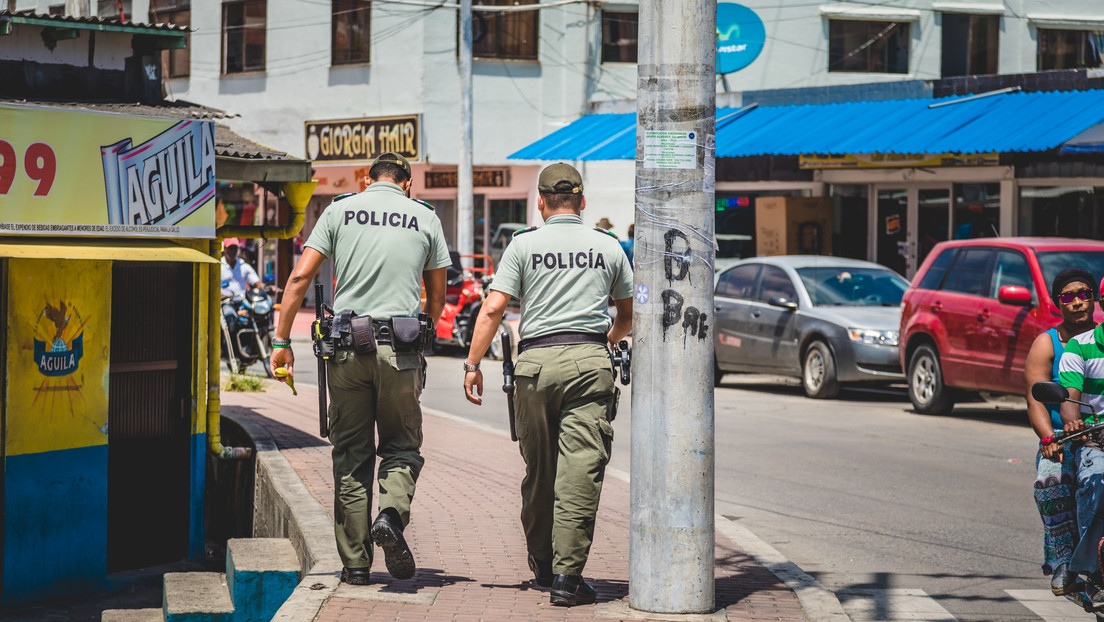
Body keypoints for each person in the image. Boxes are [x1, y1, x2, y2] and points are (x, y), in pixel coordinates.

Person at [269, 152, 451, 586]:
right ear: (407, 184)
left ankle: (355, 566)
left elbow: (299, 279)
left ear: (368, 180)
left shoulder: (339, 211)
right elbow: (438, 298)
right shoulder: (426, 217)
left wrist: (281, 342)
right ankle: (390, 515)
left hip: (347, 350)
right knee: (401, 446)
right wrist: (420, 334)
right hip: (401, 351)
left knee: (351, 455)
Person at [462, 163, 633, 606]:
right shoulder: (608, 246)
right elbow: (628, 314)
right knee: (580, 472)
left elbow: (493, 307)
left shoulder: (523, 245)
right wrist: (608, 340)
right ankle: (567, 578)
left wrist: (473, 364)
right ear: (582, 202)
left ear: (540, 202)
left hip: (535, 364)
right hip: (589, 362)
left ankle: (541, 561)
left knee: (540, 470)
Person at [1025, 268, 1097, 596]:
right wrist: (1048, 438)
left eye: (1084, 294)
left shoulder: (1100, 339)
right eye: (1069, 297)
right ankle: (1065, 561)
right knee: (1050, 480)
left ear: (1095, 298)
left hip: (1100, 432)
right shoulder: (1047, 342)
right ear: (1058, 303)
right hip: (1063, 436)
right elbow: (1035, 399)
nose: (1078, 302)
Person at [1058, 275, 1104, 609]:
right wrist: (1074, 420)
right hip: (1096, 440)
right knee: (1096, 482)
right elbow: (1069, 398)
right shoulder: (1079, 346)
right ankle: (1094, 573)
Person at [221, 238, 263, 331]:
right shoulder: (219, 265)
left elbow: (256, 281)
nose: (233, 251)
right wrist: (220, 295)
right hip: (227, 303)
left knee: (258, 315)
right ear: (225, 249)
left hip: (242, 302)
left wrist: (265, 287)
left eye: (235, 248)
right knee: (230, 319)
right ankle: (232, 340)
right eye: (230, 248)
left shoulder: (243, 265)